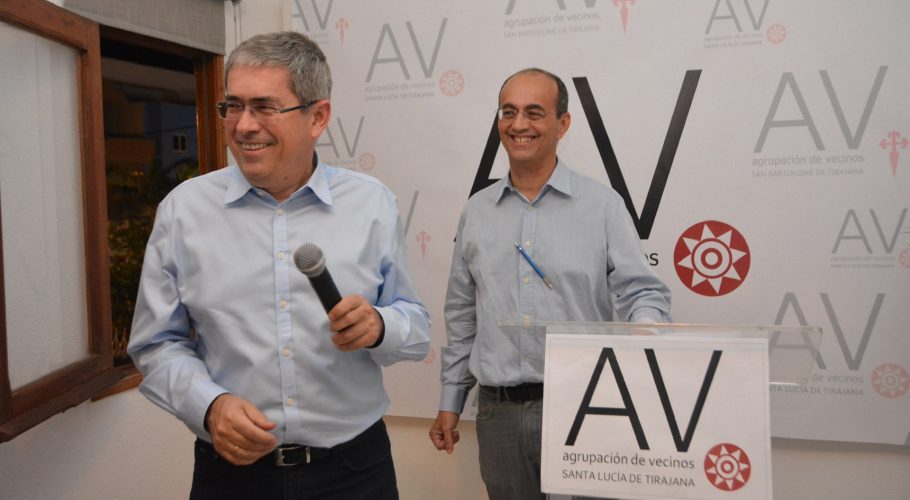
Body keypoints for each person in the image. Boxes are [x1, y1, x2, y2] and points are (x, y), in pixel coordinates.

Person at [128, 31, 430, 500]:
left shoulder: (372, 205)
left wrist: (379, 325)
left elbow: (416, 328)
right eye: (233, 106)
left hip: (354, 472)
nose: (244, 125)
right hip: (230, 475)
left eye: (265, 107)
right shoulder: (183, 211)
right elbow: (155, 344)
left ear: (318, 117)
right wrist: (209, 405)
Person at [428, 68, 672, 499]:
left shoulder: (603, 206)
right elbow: (462, 314)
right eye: (508, 112)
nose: (518, 124)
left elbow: (644, 292)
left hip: (585, 406)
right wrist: (451, 400)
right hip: (498, 415)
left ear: (563, 123)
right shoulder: (476, 212)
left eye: (534, 112)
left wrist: (643, 338)